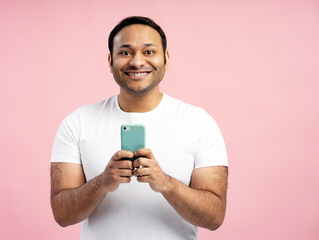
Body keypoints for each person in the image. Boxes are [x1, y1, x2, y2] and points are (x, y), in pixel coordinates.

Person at [50, 16, 228, 240]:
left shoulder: (200, 123)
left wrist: (167, 184)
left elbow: (215, 217)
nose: (136, 62)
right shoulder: (77, 123)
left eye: (149, 51)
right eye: (125, 52)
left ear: (166, 59)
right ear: (110, 61)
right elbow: (61, 214)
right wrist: (101, 183)